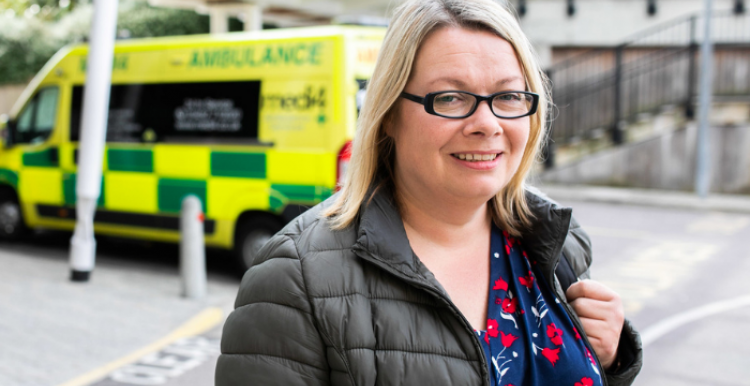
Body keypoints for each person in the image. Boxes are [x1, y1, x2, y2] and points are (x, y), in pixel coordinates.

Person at [216, 0, 643, 384]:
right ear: (387, 114)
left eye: (509, 95)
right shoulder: (294, 280)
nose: (487, 123)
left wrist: (610, 362)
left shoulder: (555, 243)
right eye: (452, 97)